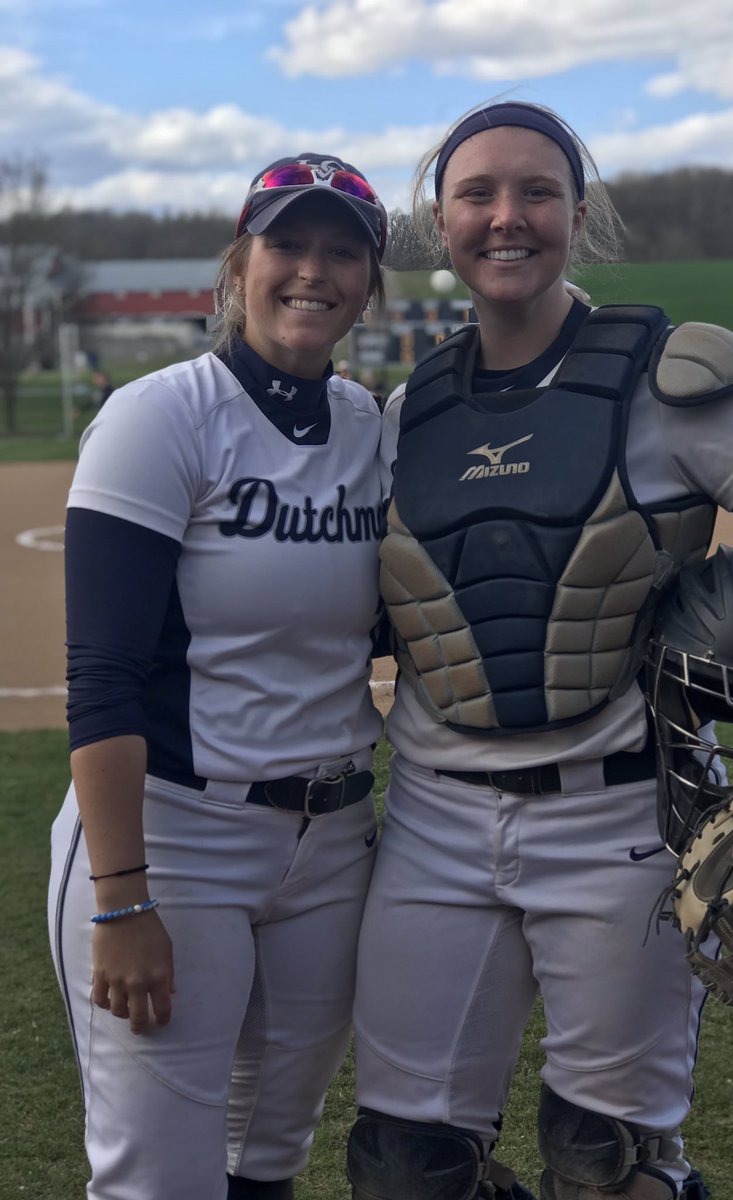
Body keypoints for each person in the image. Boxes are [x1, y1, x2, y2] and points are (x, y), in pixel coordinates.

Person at [347, 101, 733, 1200]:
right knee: (405, 1168)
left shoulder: (671, 379)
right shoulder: (404, 410)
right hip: (433, 821)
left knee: (608, 1169)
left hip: (620, 820)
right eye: (478, 194)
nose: (508, 218)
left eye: (537, 192)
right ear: (440, 221)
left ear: (578, 214)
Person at [48, 152, 390, 1200]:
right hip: (174, 836)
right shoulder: (162, 416)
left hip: (331, 843)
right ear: (239, 263)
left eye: (342, 252)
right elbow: (101, 675)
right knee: (161, 1178)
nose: (311, 270)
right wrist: (120, 900)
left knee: (267, 1162)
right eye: (287, 242)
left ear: (369, 284)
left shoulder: (373, 428)